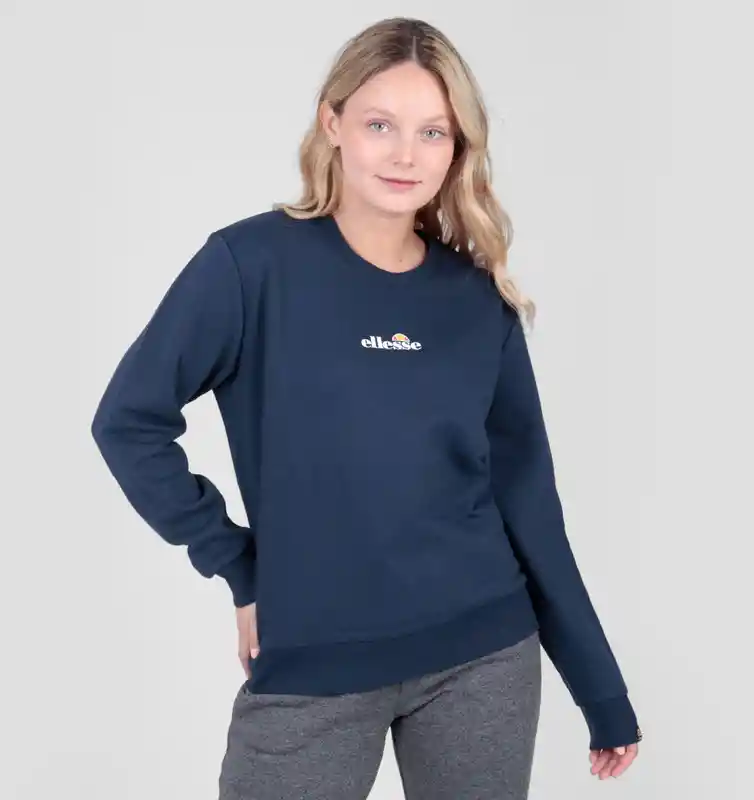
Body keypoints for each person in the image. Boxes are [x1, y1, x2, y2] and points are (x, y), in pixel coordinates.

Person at [90, 16, 642, 800]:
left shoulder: (476, 300)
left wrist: (600, 688)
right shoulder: (248, 267)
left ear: (457, 149)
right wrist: (239, 566)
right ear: (333, 122)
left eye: (433, 132)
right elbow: (127, 422)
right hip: (310, 663)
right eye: (381, 124)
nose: (406, 154)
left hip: (482, 657)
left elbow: (527, 501)